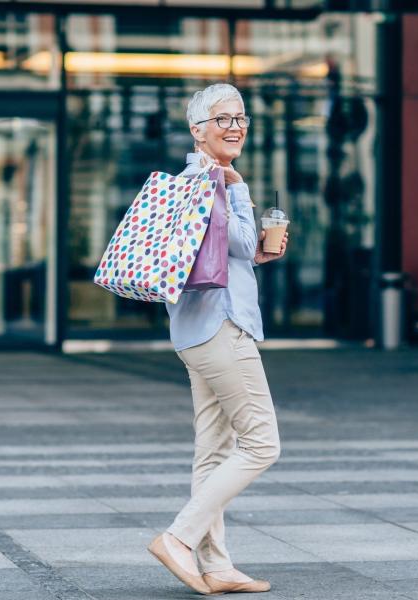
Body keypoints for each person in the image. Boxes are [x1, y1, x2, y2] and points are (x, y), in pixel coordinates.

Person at [147, 83, 289, 596]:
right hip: (222, 328)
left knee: (213, 452)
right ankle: (178, 537)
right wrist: (242, 189)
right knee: (262, 443)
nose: (235, 127)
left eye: (241, 118)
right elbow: (246, 240)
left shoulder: (189, 182)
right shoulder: (213, 182)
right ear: (198, 130)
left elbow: (235, 251)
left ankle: (218, 565)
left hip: (192, 331)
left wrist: (254, 250)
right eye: (223, 119)